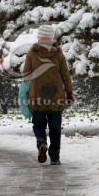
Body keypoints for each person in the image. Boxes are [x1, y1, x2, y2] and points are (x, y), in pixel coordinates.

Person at [23, 25, 74, 165]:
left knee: (38, 124)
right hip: (56, 97)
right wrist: (69, 93)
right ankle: (55, 156)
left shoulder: (32, 53)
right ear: (51, 38)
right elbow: (65, 75)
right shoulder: (58, 54)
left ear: (39, 37)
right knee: (55, 128)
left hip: (36, 97)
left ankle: (41, 143)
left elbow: (25, 74)